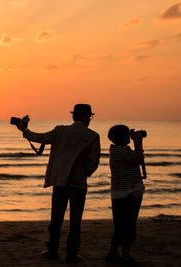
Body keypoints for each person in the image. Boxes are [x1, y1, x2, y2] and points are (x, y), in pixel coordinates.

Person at [15, 104, 101, 262]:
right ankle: (72, 253)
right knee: (76, 220)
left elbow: (40, 137)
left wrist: (24, 131)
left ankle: (52, 249)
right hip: (79, 184)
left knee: (56, 218)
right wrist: (84, 173)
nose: (90, 119)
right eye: (89, 116)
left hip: (60, 182)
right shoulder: (92, 136)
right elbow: (94, 162)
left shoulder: (60, 130)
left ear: (73, 116)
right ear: (85, 117)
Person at [106, 125, 145, 266]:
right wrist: (138, 144)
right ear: (123, 137)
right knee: (129, 225)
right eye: (128, 135)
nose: (130, 136)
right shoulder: (122, 150)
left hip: (119, 193)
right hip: (129, 192)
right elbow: (138, 158)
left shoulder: (114, 150)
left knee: (120, 225)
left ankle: (113, 253)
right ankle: (126, 255)